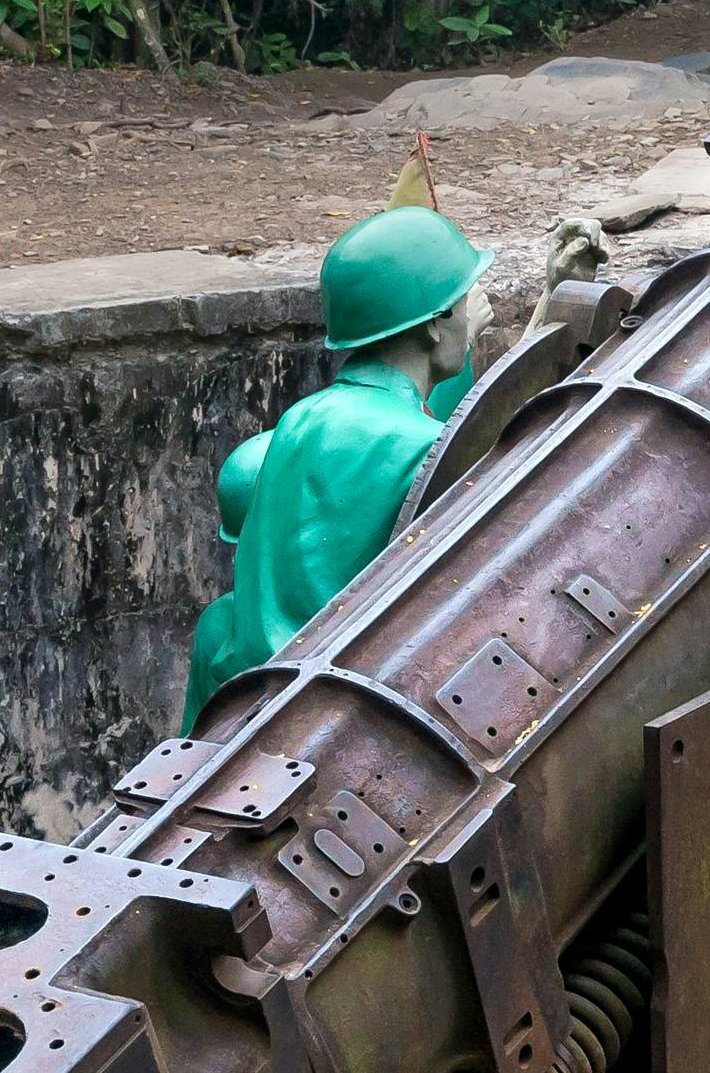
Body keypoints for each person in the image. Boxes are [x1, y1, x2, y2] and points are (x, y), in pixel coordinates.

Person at [184, 202, 488, 722]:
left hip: (257, 705)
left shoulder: (302, 420)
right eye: (462, 306)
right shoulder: (425, 445)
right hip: (346, 714)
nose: (471, 317)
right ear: (436, 326)